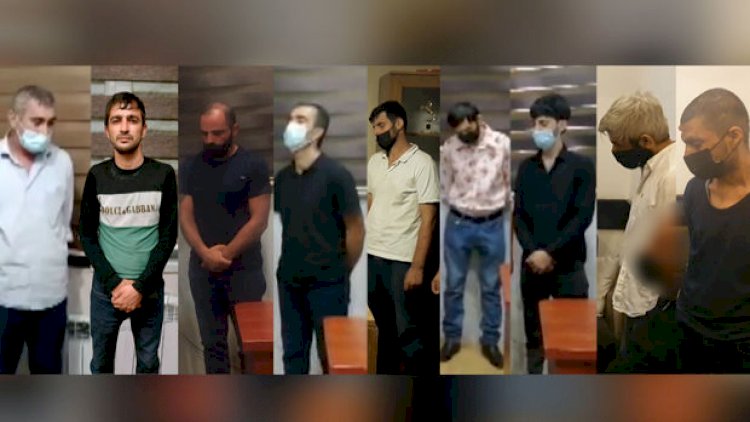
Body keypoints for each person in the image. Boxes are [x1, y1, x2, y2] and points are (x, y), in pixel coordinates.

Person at [79, 92, 178, 374]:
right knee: (101, 365)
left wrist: (139, 288)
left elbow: (168, 237)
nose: (124, 128)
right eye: (117, 120)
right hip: (105, 292)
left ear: (144, 129)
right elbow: (87, 235)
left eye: (132, 120)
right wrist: (115, 284)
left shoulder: (163, 175)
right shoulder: (97, 176)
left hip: (149, 291)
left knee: (147, 365)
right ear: (106, 130)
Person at [179, 102, 271, 374]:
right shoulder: (191, 166)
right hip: (203, 271)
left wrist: (225, 254)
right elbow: (186, 215)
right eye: (204, 133)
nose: (210, 139)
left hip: (244, 272)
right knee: (213, 347)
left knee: (251, 347)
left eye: (217, 133)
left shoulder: (253, 165)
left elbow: (259, 220)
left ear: (234, 129)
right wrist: (205, 253)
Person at [274, 102, 365, 374]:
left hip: (328, 284)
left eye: (300, 120)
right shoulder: (283, 178)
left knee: (332, 357)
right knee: (293, 355)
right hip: (289, 282)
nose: (291, 125)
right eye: (291, 118)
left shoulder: (337, 175)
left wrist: (340, 269)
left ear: (317, 132)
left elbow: (356, 230)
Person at [513, 93, 595, 374]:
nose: (537, 129)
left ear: (562, 124)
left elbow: (582, 217)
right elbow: (519, 216)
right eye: (534, 123)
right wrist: (534, 252)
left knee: (571, 341)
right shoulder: (526, 168)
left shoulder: (582, 166)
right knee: (534, 338)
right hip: (532, 266)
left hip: (568, 266)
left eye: (543, 123)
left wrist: (550, 253)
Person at [597, 91, 677, 364]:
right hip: (636, 303)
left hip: (653, 309)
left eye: (617, 144)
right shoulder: (650, 168)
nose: (614, 151)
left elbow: (672, 254)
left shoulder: (670, 176)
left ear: (645, 141)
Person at [0, 85, 73, 374]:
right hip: (4, 297)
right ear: (14, 118)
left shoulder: (62, 162)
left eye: (51, 123)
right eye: (37, 122)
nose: (45, 131)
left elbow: (63, 221)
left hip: (50, 297)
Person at [677, 88, 750, 373]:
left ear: (734, 136)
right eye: (686, 143)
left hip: (742, 344)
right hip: (690, 329)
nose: (688, 154)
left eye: (696, 143)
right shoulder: (695, 189)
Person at [367, 100, 439, 374]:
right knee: (383, 330)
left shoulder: (422, 163)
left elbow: (429, 219)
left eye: (381, 125)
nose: (377, 132)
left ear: (399, 124)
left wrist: (418, 267)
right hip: (373, 256)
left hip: (402, 261)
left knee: (407, 333)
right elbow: (372, 205)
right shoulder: (375, 163)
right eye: (374, 128)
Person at [439, 102, 510, 368]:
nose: (463, 136)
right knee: (453, 285)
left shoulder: (501, 144)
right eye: (459, 132)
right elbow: (445, 185)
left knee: (491, 286)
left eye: (467, 129)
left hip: (492, 224)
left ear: (478, 119)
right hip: (458, 223)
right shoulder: (449, 148)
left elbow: (508, 182)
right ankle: (452, 339)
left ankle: (490, 341)